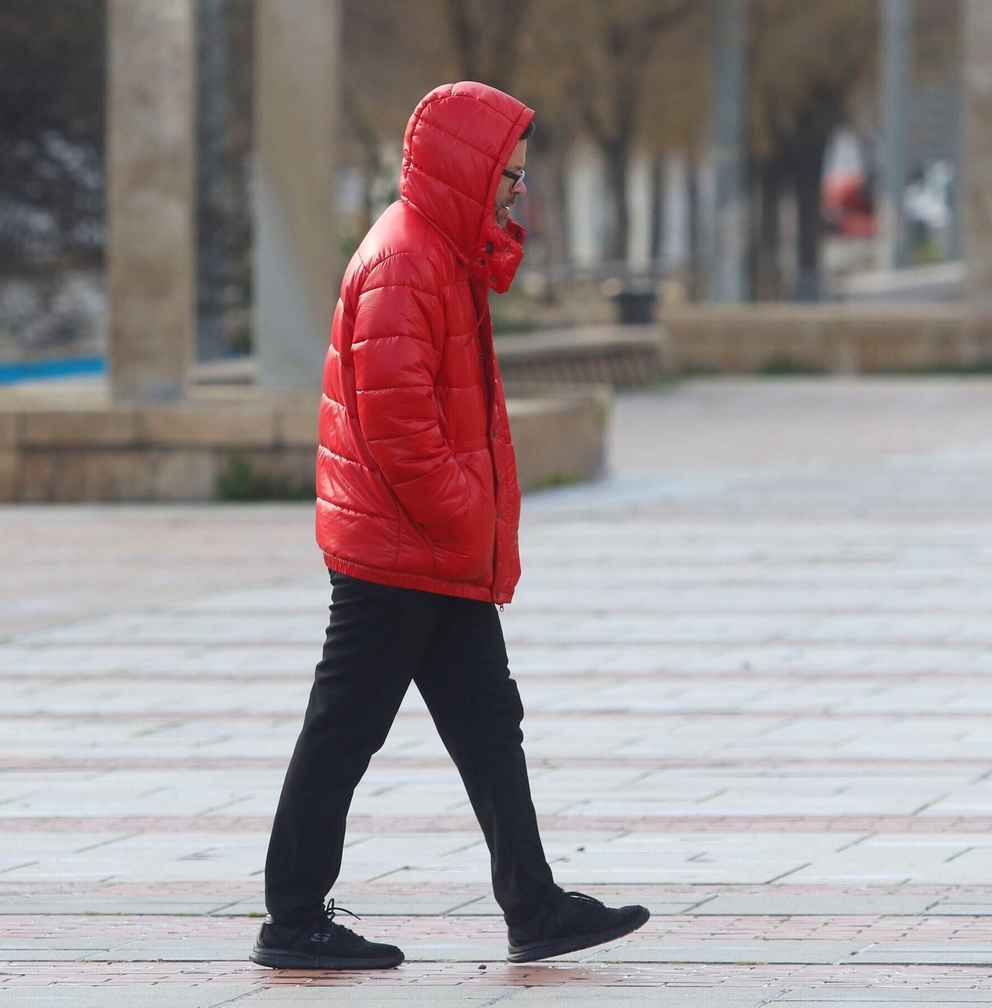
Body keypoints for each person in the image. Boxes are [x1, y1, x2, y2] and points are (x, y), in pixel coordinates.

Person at [249, 82, 650, 972]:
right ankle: (292, 921)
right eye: (507, 172)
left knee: (487, 725)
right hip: (400, 553)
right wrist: (469, 513)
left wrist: (466, 529)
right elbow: (399, 431)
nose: (516, 188)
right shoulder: (405, 261)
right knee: (344, 729)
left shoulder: (438, 252)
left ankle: (535, 908)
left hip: (430, 551)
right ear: (468, 167)